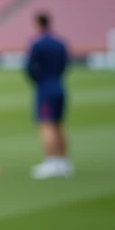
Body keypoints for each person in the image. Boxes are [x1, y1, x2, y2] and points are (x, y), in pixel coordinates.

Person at [26, 11, 73, 179]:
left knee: (46, 125)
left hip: (45, 87)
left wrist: (37, 81)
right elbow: (65, 64)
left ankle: (51, 162)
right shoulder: (60, 42)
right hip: (59, 85)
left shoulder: (37, 43)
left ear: (38, 23)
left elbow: (30, 68)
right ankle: (64, 162)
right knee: (59, 124)